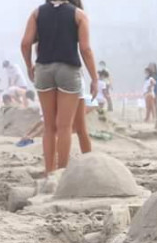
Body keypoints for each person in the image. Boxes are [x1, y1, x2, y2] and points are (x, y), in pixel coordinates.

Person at [21, 0, 98, 175]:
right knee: (64, 126)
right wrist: (94, 77)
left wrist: (29, 66)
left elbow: (25, 43)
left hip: (43, 69)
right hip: (68, 69)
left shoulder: (37, 13)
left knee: (49, 127)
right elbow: (85, 49)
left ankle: (49, 172)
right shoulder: (78, 14)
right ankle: (61, 173)